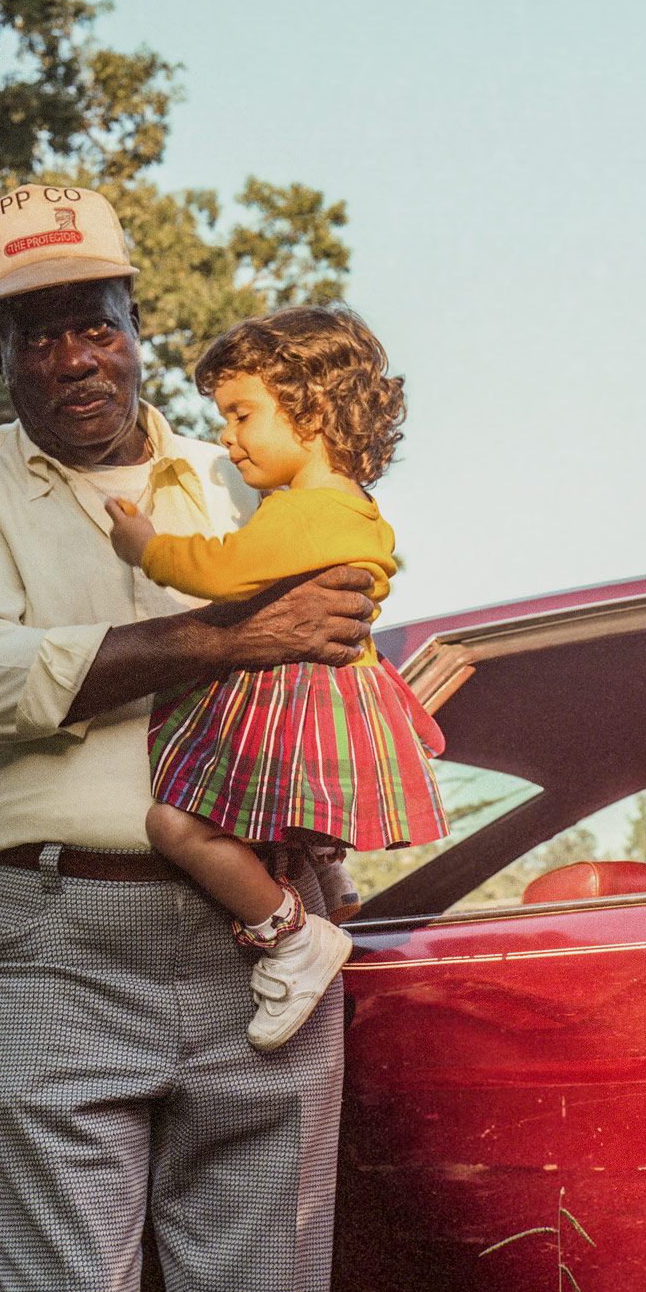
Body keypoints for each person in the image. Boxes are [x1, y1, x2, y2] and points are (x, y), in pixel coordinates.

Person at [0, 181, 375, 1292]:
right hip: (53, 931)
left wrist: (384, 692)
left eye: (90, 325)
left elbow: (324, 661)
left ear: (133, 325)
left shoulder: (238, 472)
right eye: (30, 336)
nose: (68, 360)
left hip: (261, 940)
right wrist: (227, 639)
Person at [102, 306, 447, 1053]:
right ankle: (332, 885)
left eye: (242, 413)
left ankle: (290, 936)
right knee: (276, 819)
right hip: (332, 690)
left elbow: (221, 570)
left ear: (313, 409)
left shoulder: (306, 512)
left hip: (291, 695)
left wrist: (145, 546)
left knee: (175, 822)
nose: (227, 436)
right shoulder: (348, 506)